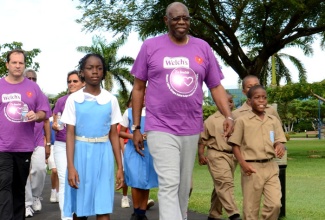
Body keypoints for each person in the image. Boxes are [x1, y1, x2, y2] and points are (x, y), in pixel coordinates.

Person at [131, 2, 234, 220]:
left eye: (185, 18)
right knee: (169, 182)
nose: (181, 22)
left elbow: (215, 86)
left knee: (183, 185)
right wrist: (136, 126)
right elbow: (139, 88)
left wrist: (229, 115)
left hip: (191, 126)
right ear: (166, 21)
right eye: (176, 18)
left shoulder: (202, 47)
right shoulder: (150, 46)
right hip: (160, 126)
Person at [61, 53, 124, 220]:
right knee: (80, 209)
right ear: (82, 72)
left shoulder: (110, 99)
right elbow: (70, 134)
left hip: (104, 155)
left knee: (103, 208)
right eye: (90, 68)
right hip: (80, 154)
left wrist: (120, 167)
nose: (95, 72)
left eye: (99, 68)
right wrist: (71, 167)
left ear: (103, 72)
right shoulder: (74, 99)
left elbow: (114, 134)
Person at [0, 49, 49, 219]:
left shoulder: (32, 87)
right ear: (7, 64)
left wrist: (36, 116)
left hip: (24, 147)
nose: (17, 66)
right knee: (4, 185)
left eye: (21, 63)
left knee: (19, 188)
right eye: (14, 62)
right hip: (3, 147)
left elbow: (44, 111)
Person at [228, 85, 286, 220]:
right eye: (257, 97)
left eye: (264, 98)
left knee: (275, 204)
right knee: (250, 209)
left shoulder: (273, 120)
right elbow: (234, 145)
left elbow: (279, 140)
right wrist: (243, 164)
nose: (261, 100)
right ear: (249, 101)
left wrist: (280, 145)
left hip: (271, 166)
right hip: (252, 168)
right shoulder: (242, 121)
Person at [198, 93, 241, 220]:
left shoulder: (238, 118)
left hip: (232, 156)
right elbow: (202, 140)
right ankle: (234, 214)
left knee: (221, 186)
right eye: (225, 102)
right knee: (225, 183)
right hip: (216, 154)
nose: (229, 104)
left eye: (231, 101)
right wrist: (201, 154)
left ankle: (214, 214)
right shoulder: (211, 120)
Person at [119, 92, 158, 220]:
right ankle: (136, 212)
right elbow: (120, 133)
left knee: (146, 182)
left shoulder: (154, 113)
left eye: (148, 94)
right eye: (143, 94)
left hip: (149, 150)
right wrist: (134, 136)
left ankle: (142, 213)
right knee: (136, 182)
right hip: (132, 150)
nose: (145, 97)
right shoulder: (129, 112)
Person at [52, 70, 85, 220]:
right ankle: (66, 217)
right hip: (61, 144)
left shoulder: (87, 100)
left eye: (75, 81)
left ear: (83, 83)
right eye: (69, 81)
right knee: (64, 179)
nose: (71, 84)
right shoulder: (61, 101)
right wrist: (55, 125)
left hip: (81, 145)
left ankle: (79, 213)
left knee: (80, 180)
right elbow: (55, 120)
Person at [24, 69, 52, 218]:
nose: (31, 80)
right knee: (25, 173)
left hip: (38, 141)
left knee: (40, 169)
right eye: (28, 78)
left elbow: (47, 120)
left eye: (34, 78)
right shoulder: (20, 96)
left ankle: (36, 196)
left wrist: (48, 144)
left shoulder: (41, 97)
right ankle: (27, 204)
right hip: (21, 141)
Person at [48, 114, 59, 203]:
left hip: (62, 146)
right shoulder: (50, 121)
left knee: (60, 171)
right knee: (54, 170)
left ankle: (58, 192)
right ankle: (53, 190)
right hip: (52, 146)